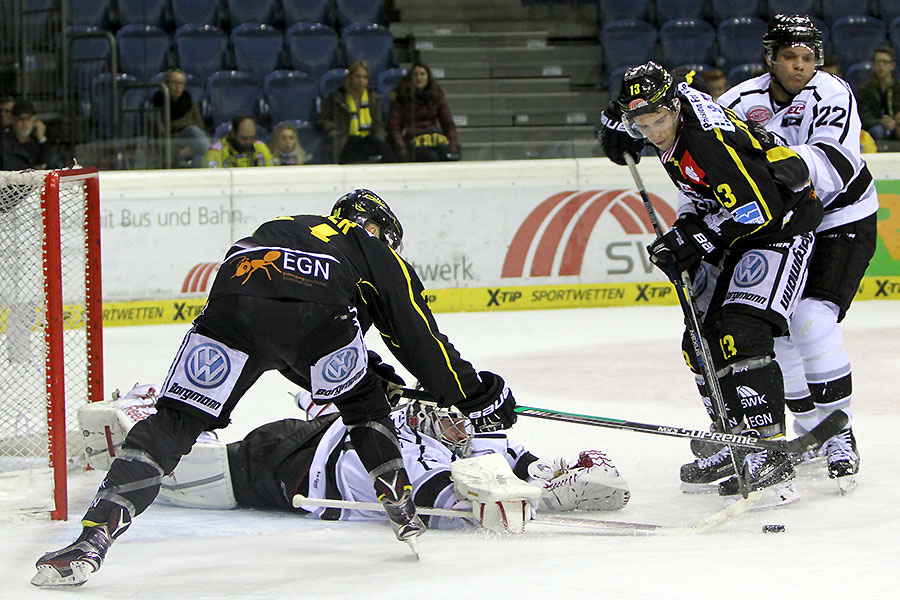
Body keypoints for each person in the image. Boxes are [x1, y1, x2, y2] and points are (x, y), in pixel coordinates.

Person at [31, 189, 519, 588]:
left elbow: (282, 343)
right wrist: (475, 396)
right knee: (363, 408)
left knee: (175, 421)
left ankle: (92, 539)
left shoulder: (288, 225)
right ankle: (402, 510)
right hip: (317, 317)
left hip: (231, 304)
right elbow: (417, 339)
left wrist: (366, 371)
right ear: (377, 230)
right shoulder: (372, 249)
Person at [600, 61, 823, 506]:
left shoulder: (706, 142)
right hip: (735, 225)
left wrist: (693, 239)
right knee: (698, 338)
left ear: (675, 107)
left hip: (780, 225)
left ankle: (768, 450)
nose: (653, 132)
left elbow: (759, 209)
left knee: (742, 331)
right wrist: (613, 127)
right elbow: (638, 103)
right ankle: (733, 436)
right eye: (641, 124)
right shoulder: (668, 106)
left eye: (659, 120)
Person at [78, 383, 629, 530]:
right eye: (447, 410)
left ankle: (139, 437)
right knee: (178, 474)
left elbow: (506, 479)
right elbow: (505, 478)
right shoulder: (441, 441)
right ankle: (137, 433)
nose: (453, 419)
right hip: (300, 444)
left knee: (191, 476)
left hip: (286, 468)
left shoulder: (457, 462)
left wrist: (553, 485)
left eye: (462, 416)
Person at [716, 14, 877, 491]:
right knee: (776, 329)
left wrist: (787, 165)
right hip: (782, 225)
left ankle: (839, 431)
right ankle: (807, 423)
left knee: (811, 317)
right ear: (771, 57)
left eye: (808, 58)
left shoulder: (832, 93)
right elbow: (700, 141)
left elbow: (835, 158)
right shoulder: (739, 101)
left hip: (839, 218)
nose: (799, 67)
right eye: (789, 57)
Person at [315, 61, 395, 164]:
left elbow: (379, 124)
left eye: (365, 77)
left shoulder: (374, 98)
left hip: (369, 140)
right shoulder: (336, 97)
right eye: (357, 76)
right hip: (346, 141)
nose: (361, 81)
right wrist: (331, 129)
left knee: (389, 156)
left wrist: (379, 138)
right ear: (350, 78)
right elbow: (322, 119)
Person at [387, 62, 460, 161]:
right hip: (412, 140)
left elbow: (448, 123)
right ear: (410, 77)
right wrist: (402, 148)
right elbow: (394, 126)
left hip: (433, 138)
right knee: (431, 158)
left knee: (448, 155)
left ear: (428, 77)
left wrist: (453, 146)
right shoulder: (401, 97)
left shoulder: (436, 96)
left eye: (422, 74)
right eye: (415, 74)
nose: (419, 78)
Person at [152, 68, 211, 168]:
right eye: (174, 82)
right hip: (171, 146)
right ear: (166, 83)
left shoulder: (190, 103)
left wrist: (191, 147)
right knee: (191, 129)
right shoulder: (158, 105)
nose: (178, 87)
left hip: (191, 146)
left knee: (200, 155)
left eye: (181, 83)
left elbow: (200, 129)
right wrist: (186, 126)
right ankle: (216, 156)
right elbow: (161, 134)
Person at [856, 44, 900, 141]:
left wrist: (896, 122)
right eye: (878, 62)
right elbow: (862, 116)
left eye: (884, 62)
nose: (881, 66)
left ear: (892, 65)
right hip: (875, 127)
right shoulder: (865, 89)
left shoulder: (898, 87)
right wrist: (880, 122)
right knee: (878, 131)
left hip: (896, 126)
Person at [0, 99, 59, 170]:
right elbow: (9, 164)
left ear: (34, 120)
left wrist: (42, 140)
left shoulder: (36, 142)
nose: (25, 123)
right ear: (13, 119)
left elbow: (54, 165)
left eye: (28, 119)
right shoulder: (4, 141)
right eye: (21, 119)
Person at [202, 115, 272, 168]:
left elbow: (272, 175)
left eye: (252, 137)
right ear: (233, 133)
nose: (248, 142)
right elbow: (211, 180)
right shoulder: (216, 152)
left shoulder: (261, 148)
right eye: (244, 138)